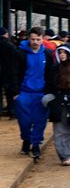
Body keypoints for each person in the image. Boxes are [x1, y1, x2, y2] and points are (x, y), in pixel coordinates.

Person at [13, 27, 51, 160]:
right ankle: (26, 140)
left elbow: (51, 74)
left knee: (40, 121)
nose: (35, 42)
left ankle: (35, 145)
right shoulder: (20, 53)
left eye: (38, 39)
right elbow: (14, 73)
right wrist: (15, 92)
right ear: (28, 38)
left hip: (41, 93)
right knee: (24, 121)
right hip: (24, 92)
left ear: (43, 39)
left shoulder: (48, 54)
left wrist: (49, 92)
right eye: (33, 39)